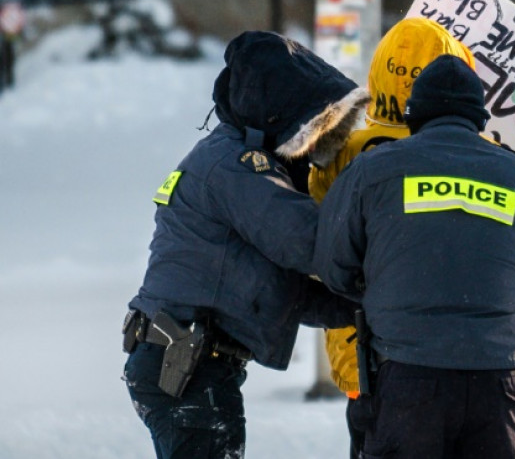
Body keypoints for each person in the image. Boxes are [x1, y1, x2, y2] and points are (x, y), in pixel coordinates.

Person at [122, 30, 368, 459]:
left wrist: (365, 304)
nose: (315, 144)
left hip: (185, 362)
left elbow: (280, 293)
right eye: (314, 126)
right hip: (185, 366)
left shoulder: (233, 161)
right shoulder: (236, 167)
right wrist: (391, 244)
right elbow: (308, 241)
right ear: (281, 116)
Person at [314, 54, 515, 459]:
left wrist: (389, 298)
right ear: (480, 118)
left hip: (407, 382)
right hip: (502, 386)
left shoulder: (369, 172)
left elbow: (334, 267)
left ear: (414, 116)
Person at [306, 17, 476, 459]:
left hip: (361, 355)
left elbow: (318, 241)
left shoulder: (342, 151)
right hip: (463, 361)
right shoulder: (478, 155)